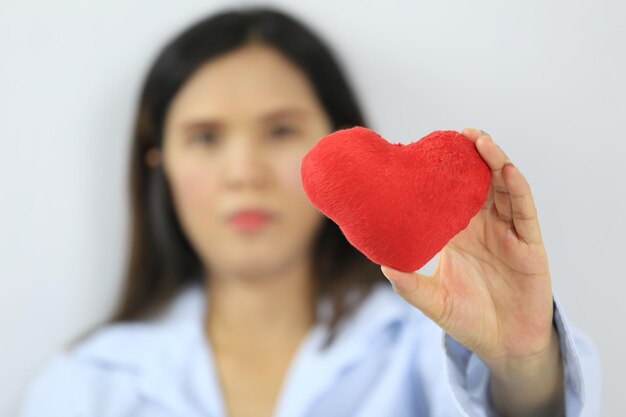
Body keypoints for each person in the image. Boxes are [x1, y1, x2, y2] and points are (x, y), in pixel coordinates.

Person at [19, 5, 601, 417]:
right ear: (157, 162)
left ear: (341, 135)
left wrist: (523, 365)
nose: (244, 172)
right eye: (204, 138)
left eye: (280, 130)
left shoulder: (424, 347)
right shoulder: (84, 384)